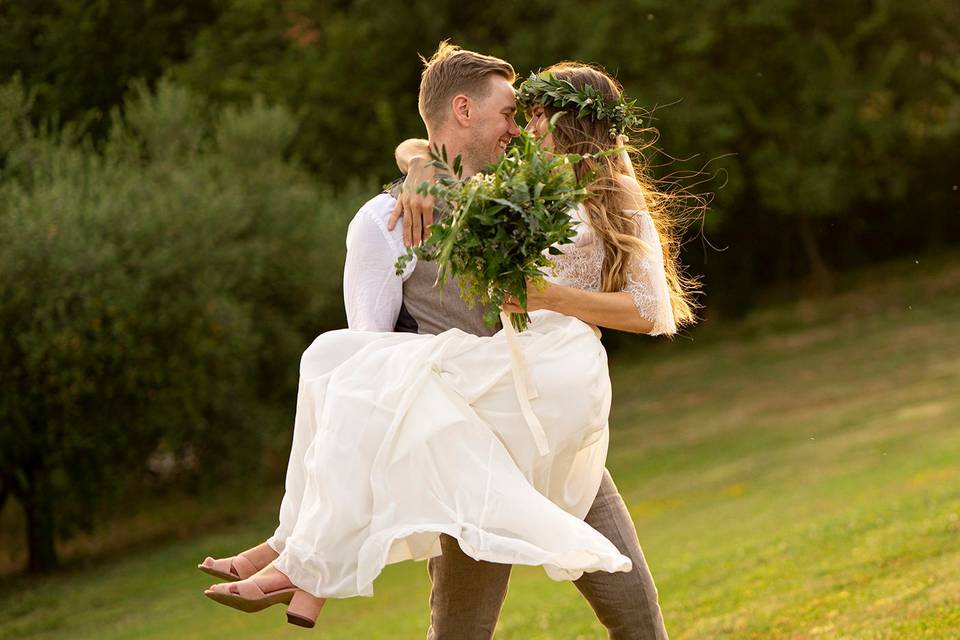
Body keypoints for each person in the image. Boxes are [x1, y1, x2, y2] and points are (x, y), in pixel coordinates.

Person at [200, 44, 696, 637]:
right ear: (464, 110)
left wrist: (423, 163)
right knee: (460, 628)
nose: (519, 126)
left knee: (637, 615)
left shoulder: (524, 191)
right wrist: (419, 162)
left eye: (530, 114)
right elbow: (374, 358)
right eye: (513, 113)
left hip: (551, 425)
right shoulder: (402, 215)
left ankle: (301, 566)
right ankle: (301, 561)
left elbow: (647, 308)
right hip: (471, 444)